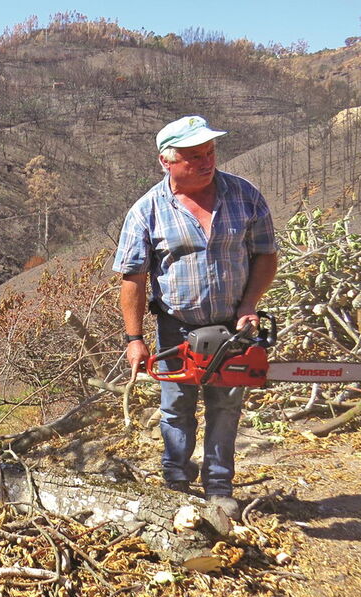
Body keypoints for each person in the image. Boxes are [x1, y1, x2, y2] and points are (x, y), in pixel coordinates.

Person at [112, 116, 278, 520]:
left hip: (234, 327)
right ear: (166, 162)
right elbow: (132, 278)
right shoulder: (146, 210)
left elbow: (266, 255)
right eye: (193, 157)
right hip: (177, 328)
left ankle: (219, 487)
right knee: (176, 408)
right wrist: (135, 338)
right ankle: (177, 483)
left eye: (209, 153)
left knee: (226, 406)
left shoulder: (244, 195)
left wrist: (249, 304)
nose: (206, 162)